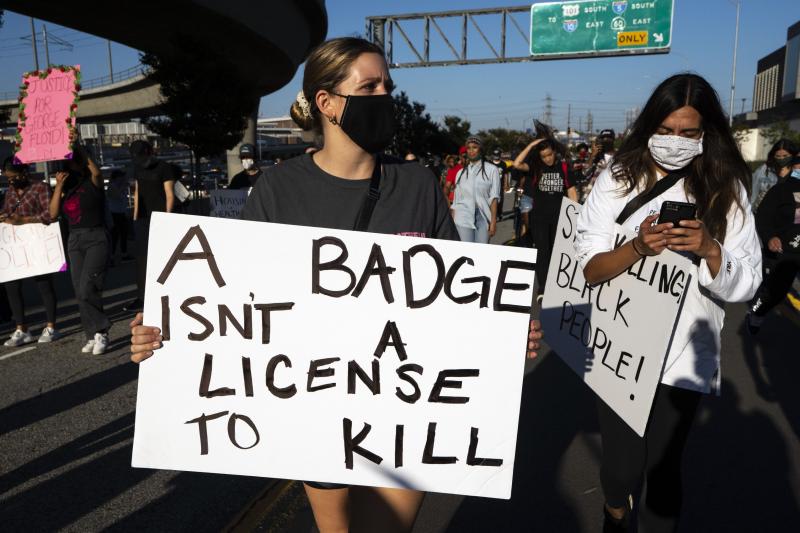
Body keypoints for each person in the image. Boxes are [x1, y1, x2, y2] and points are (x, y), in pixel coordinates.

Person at [128, 36, 541, 533]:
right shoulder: (279, 190)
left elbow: (457, 296)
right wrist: (165, 332)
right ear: (327, 102)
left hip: (406, 411)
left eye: (387, 84)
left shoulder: (418, 185)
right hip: (317, 408)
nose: (385, 94)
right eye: (369, 85)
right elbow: (233, 306)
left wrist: (505, 332)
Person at [574, 73, 761, 533]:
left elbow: (749, 284)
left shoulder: (726, 188)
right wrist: (637, 247)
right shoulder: (617, 178)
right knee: (621, 469)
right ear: (649, 126)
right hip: (618, 348)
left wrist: (710, 249)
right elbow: (588, 267)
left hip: (682, 359)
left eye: (688, 133)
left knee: (661, 472)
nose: (675, 141)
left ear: (706, 134)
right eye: (666, 130)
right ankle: (614, 513)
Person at [49, 145, 111, 354]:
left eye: (74, 163)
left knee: (88, 287)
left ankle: (101, 331)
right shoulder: (66, 188)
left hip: (96, 237)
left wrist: (81, 150)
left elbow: (97, 173)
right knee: (79, 290)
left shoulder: (92, 183)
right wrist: (58, 186)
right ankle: (91, 334)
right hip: (75, 240)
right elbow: (52, 214)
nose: (71, 167)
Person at [0, 157, 61, 346]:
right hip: (16, 247)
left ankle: (51, 326)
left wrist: (24, 220)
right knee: (12, 286)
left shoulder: (40, 188)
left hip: (38, 243)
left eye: (13, 177)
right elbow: (8, 211)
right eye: (7, 178)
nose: (11, 181)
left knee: (44, 285)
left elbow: (49, 214)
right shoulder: (11, 191)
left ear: (24, 173)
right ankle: (21, 328)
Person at [512, 137, 578, 289]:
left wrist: (573, 218)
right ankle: (543, 288)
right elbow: (517, 163)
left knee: (557, 252)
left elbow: (572, 193)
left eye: (549, 154)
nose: (547, 159)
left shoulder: (564, 167)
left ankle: (555, 286)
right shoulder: (536, 168)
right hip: (539, 218)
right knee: (543, 252)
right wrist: (531, 144)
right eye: (543, 156)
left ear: (554, 152)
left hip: (559, 217)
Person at [747, 154, 800, 334]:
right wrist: (770, 237)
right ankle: (756, 312)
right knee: (773, 293)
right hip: (782, 253)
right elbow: (763, 217)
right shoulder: (781, 190)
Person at [123, 140, 175, 312]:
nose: (139, 159)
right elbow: (137, 192)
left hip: (160, 217)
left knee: (162, 256)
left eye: (141, 155)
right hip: (143, 219)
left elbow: (169, 194)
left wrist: (168, 218)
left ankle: (167, 293)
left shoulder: (163, 167)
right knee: (142, 259)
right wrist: (136, 216)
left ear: (149, 152)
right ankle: (142, 296)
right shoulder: (138, 169)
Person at [451, 136, 501, 243]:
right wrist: (453, 221)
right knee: (466, 251)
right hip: (463, 216)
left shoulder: (492, 170)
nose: (471, 151)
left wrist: (493, 222)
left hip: (483, 216)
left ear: (480, 149)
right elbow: (456, 200)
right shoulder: (461, 173)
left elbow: (494, 198)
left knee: (481, 252)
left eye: (474, 147)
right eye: (468, 148)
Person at [750, 138, 798, 212]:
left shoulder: (797, 171)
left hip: (790, 215)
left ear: (793, 155)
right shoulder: (764, 170)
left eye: (785, 156)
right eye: (778, 156)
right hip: (767, 214)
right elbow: (754, 192)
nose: (781, 158)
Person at [107, 169, 133, 263]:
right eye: (120, 177)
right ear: (115, 178)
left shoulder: (122, 186)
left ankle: (124, 254)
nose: (122, 179)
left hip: (121, 213)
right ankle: (111, 256)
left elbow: (123, 200)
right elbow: (117, 195)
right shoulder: (112, 186)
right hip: (114, 214)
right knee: (115, 236)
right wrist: (124, 185)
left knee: (124, 234)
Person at [489, 148, 509, 220]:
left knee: (500, 200)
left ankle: (500, 213)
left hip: (500, 185)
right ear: (493, 155)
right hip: (491, 185)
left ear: (500, 155)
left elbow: (506, 174)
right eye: (495, 155)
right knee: (491, 200)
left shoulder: (503, 164)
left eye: (497, 155)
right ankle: (492, 214)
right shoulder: (489, 163)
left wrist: (506, 184)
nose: (496, 157)